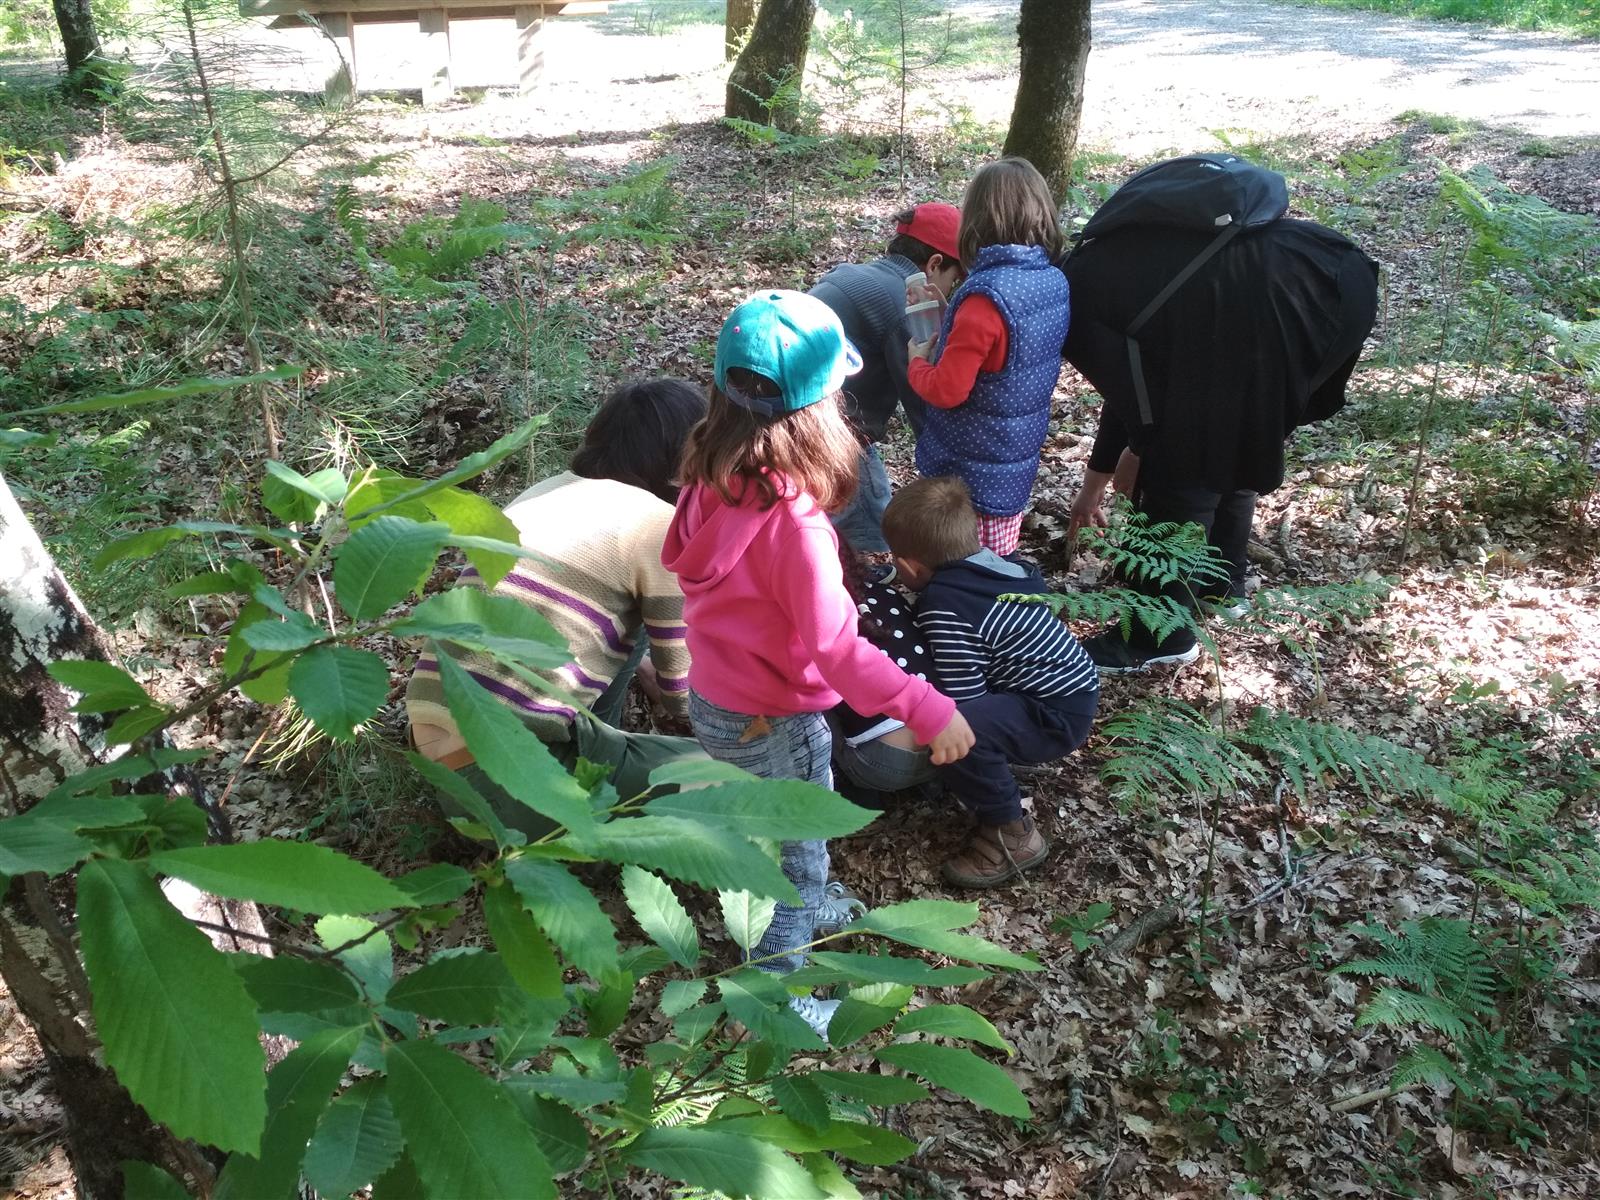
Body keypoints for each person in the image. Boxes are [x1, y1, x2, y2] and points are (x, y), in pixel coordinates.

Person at [662, 289, 975, 1034]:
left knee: (760, 823)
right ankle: (778, 997)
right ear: (823, 409)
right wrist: (930, 708)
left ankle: (795, 905)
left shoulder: (710, 476)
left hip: (716, 700)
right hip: (776, 717)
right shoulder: (793, 528)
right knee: (793, 858)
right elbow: (838, 651)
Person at [1061, 218, 1380, 673]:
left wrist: (1138, 453)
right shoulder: (1109, 268)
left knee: (1183, 459)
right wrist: (1101, 479)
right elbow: (1132, 387)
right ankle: (1220, 585)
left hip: (1292, 295)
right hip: (1336, 277)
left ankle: (1158, 636)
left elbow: (1133, 395)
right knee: (1237, 431)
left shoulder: (1082, 299)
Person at [406, 378, 708, 837]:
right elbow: (687, 700)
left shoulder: (542, 493)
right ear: (684, 458)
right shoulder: (657, 524)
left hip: (440, 764)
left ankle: (606, 751)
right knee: (738, 778)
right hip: (516, 781)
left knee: (624, 615)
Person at [882, 476, 1100, 887]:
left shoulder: (946, 608)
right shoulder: (1002, 568)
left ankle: (1011, 833)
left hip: (1050, 711)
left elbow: (965, 695)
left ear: (911, 567)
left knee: (959, 727)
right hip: (1074, 688)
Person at [908, 157, 1072, 557]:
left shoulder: (984, 298)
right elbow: (1008, 353)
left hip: (967, 473)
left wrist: (916, 360)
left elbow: (948, 390)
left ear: (978, 219)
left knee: (956, 568)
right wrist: (952, 318)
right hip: (1012, 460)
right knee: (994, 565)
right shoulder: (1052, 280)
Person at [808, 202, 964, 553]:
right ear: (935, 264)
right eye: (953, 280)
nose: (948, 292)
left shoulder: (851, 273)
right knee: (877, 537)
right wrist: (953, 480)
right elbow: (923, 402)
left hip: (800, 419)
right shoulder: (904, 303)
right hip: (831, 435)